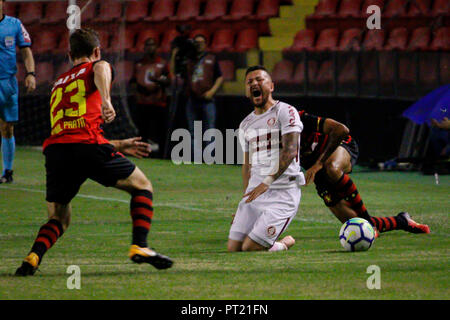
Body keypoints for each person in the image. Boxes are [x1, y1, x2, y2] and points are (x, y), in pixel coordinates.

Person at [15, 28, 173, 276]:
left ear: (69, 54)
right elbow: (100, 69)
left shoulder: (58, 84)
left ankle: (33, 257)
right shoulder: (96, 67)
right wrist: (107, 100)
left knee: (58, 217)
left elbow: (74, 130)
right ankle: (140, 246)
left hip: (57, 151)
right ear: (96, 51)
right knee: (142, 186)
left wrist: (119, 144)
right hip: (86, 146)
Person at [300, 110, 430, 235]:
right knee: (355, 224)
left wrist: (319, 163)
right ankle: (401, 221)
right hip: (317, 169)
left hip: (339, 146)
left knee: (332, 168)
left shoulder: (298, 118)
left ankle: (368, 222)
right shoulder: (280, 142)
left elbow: (341, 130)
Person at [227, 65, 302, 252]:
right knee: (234, 248)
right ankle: (271, 239)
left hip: (282, 191)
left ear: (271, 86)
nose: (254, 83)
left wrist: (267, 182)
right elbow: (247, 164)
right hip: (256, 191)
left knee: (250, 247)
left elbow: (291, 150)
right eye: (249, 82)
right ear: (246, 92)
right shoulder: (245, 124)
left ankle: (284, 244)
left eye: (259, 79)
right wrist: (245, 199)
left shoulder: (286, 111)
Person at [0, 0, 36, 183]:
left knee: (7, 127)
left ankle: (7, 171)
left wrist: (30, 73)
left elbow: (26, 51)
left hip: (8, 84)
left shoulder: (14, 24)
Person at [130, 37, 170, 155]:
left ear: (157, 48)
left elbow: (169, 81)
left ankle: (163, 155)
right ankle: (142, 153)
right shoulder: (139, 64)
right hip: (142, 102)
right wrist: (136, 94)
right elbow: (132, 81)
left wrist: (159, 81)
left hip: (158, 102)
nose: (150, 47)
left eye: (152, 45)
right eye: (147, 45)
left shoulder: (162, 63)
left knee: (161, 130)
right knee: (142, 131)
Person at [185, 34, 223, 160]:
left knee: (210, 130)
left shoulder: (211, 58)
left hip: (208, 99)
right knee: (193, 130)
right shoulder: (189, 59)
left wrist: (212, 91)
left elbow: (220, 77)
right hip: (192, 99)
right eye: (196, 42)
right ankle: (196, 158)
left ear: (205, 44)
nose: (199, 44)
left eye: (201, 42)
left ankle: (209, 158)